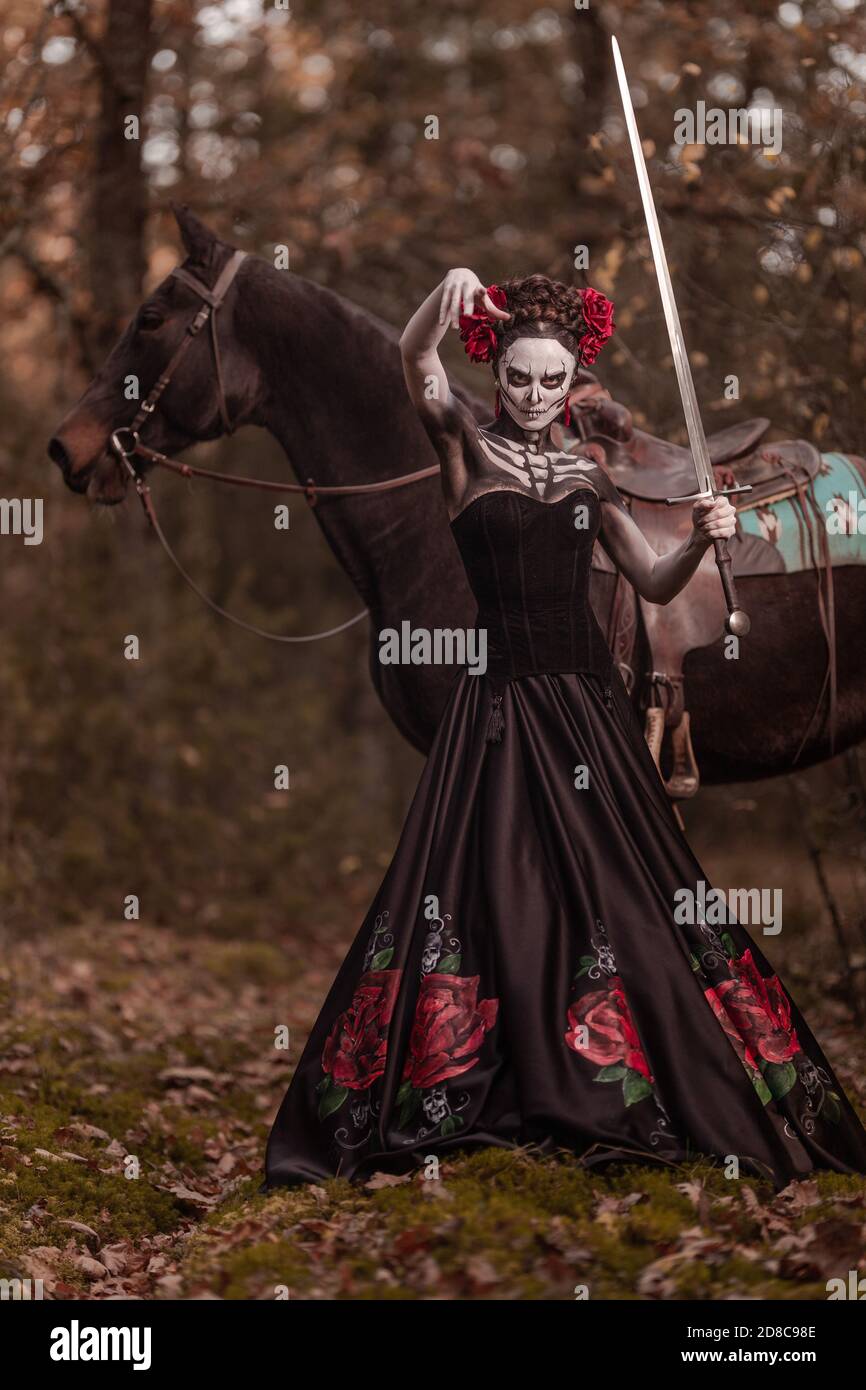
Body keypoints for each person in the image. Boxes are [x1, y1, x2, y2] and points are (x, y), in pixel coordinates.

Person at [265, 270, 866, 1189]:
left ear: (570, 378)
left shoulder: (588, 472)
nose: (537, 398)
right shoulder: (465, 447)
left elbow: (656, 583)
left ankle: (627, 1079)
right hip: (498, 705)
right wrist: (444, 294)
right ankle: (495, 1083)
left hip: (588, 709)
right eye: (519, 380)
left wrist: (705, 535)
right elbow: (411, 357)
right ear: (496, 374)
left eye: (553, 382)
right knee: (481, 889)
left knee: (629, 894)